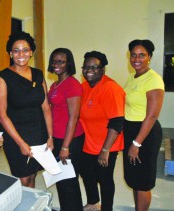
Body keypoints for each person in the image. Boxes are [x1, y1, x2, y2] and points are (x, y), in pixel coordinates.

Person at [0, 31, 53, 187]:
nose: (21, 54)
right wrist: (20, 143)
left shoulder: (38, 75)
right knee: (23, 178)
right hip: (15, 135)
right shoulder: (2, 78)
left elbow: (46, 108)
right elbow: (1, 115)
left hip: (38, 132)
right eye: (16, 50)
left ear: (31, 52)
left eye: (25, 49)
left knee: (33, 174)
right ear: (10, 53)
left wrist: (50, 136)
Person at [79, 51, 125, 211]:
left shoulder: (111, 88)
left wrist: (105, 150)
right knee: (87, 175)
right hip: (88, 144)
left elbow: (117, 122)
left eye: (94, 67)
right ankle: (92, 203)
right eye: (85, 67)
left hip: (106, 145)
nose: (88, 70)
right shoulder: (84, 86)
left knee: (104, 179)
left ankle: (107, 208)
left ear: (103, 70)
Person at [123, 39, 164, 211]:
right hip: (131, 130)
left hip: (144, 133)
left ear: (150, 57)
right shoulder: (133, 77)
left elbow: (152, 115)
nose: (136, 59)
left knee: (143, 181)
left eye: (142, 55)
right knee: (134, 178)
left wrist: (136, 143)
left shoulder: (153, 79)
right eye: (133, 55)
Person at [47, 48, 84, 210]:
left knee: (69, 181)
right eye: (54, 61)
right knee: (61, 179)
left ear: (69, 64)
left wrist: (65, 146)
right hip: (57, 137)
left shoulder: (72, 85)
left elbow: (73, 118)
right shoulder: (56, 84)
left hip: (70, 140)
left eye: (61, 61)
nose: (57, 64)